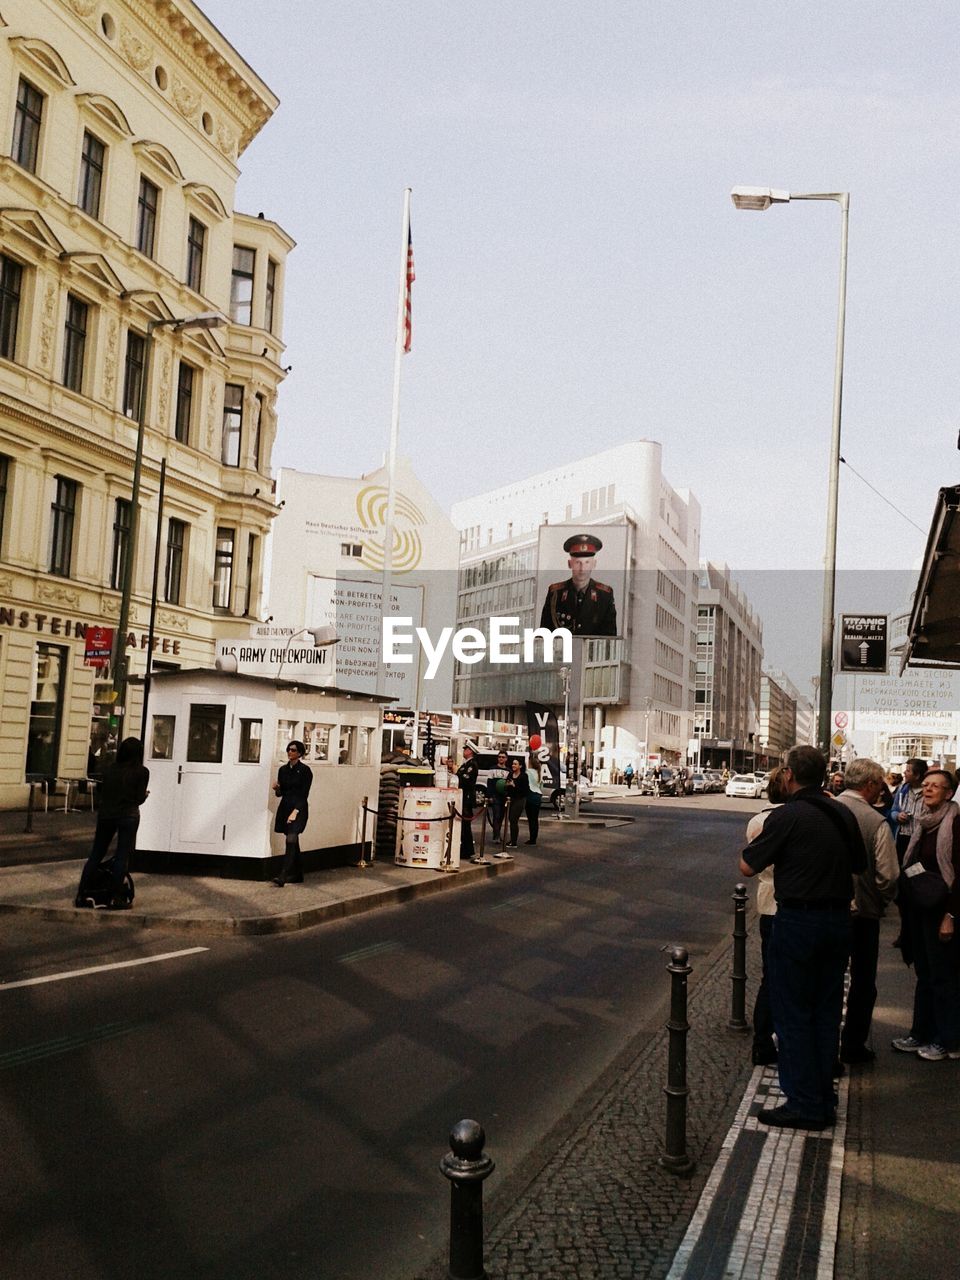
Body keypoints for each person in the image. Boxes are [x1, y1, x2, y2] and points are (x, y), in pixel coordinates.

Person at [739, 745, 867, 1130]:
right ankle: (823, 1098)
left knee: (793, 1011)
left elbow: (747, 865)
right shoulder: (842, 813)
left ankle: (804, 1104)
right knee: (825, 1012)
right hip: (837, 922)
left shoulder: (786, 816)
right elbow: (860, 865)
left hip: (797, 922)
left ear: (790, 775)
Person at [891, 769, 960, 1061]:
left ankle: (948, 1041)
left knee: (944, 978)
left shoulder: (955, 824)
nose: (928, 790)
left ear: (949, 793)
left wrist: (951, 916)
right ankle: (920, 1033)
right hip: (920, 909)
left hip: (942, 912)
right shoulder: (924, 823)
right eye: (926, 785)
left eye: (936, 786)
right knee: (925, 974)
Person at [834, 758, 900, 1064]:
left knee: (827, 981)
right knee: (862, 982)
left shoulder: (824, 810)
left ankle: (824, 1050)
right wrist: (880, 900)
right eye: (879, 785)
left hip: (824, 911)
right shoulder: (875, 821)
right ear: (870, 785)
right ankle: (852, 1046)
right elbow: (889, 875)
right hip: (863, 914)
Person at [76, 736, 149, 908]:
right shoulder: (142, 772)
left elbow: (103, 791)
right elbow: (138, 798)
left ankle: (82, 894)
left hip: (106, 815)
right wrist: (145, 795)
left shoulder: (109, 770)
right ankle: (116, 897)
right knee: (121, 856)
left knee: (96, 853)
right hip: (128, 816)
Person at [540, 533, 617, 636]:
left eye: (587, 563)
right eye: (577, 563)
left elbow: (610, 638)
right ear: (569, 564)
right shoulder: (555, 594)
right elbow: (544, 634)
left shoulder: (605, 595)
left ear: (594, 564)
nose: (582, 569)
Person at [272, 740, 313, 886]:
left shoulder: (305, 771)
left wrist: (295, 811)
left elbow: (304, 794)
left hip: (299, 808)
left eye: (294, 750)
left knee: (291, 839)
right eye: (289, 749)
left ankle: (283, 875)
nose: (290, 752)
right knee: (293, 842)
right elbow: (280, 793)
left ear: (300, 753)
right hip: (285, 807)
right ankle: (298, 873)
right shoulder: (283, 770)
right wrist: (277, 788)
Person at [455, 743, 479, 861]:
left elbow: (466, 779)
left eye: (466, 749)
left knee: (465, 824)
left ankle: (467, 850)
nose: (464, 751)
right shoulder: (466, 764)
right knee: (463, 824)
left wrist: (457, 773)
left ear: (470, 751)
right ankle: (465, 849)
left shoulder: (472, 765)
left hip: (467, 797)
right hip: (462, 796)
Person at [503, 757, 530, 850]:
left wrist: (514, 785)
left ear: (520, 766)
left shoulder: (524, 776)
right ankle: (512, 840)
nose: (513, 765)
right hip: (511, 799)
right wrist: (507, 785)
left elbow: (525, 790)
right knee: (511, 819)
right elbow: (506, 786)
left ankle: (514, 842)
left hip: (520, 799)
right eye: (513, 764)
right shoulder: (510, 774)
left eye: (515, 764)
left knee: (513, 819)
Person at [485, 750, 509, 843]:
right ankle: (496, 836)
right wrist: (489, 796)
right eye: (499, 757)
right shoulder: (492, 769)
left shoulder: (508, 771)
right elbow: (489, 783)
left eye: (503, 757)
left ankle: (498, 833)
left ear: (506, 759)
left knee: (501, 816)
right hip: (495, 796)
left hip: (503, 796)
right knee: (496, 815)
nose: (501, 759)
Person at [525, 755, 543, 845]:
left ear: (531, 764)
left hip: (530, 795)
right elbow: (541, 786)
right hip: (538, 795)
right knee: (535, 819)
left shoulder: (528, 772)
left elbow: (525, 784)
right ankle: (534, 838)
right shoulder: (539, 773)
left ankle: (531, 839)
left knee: (530, 818)